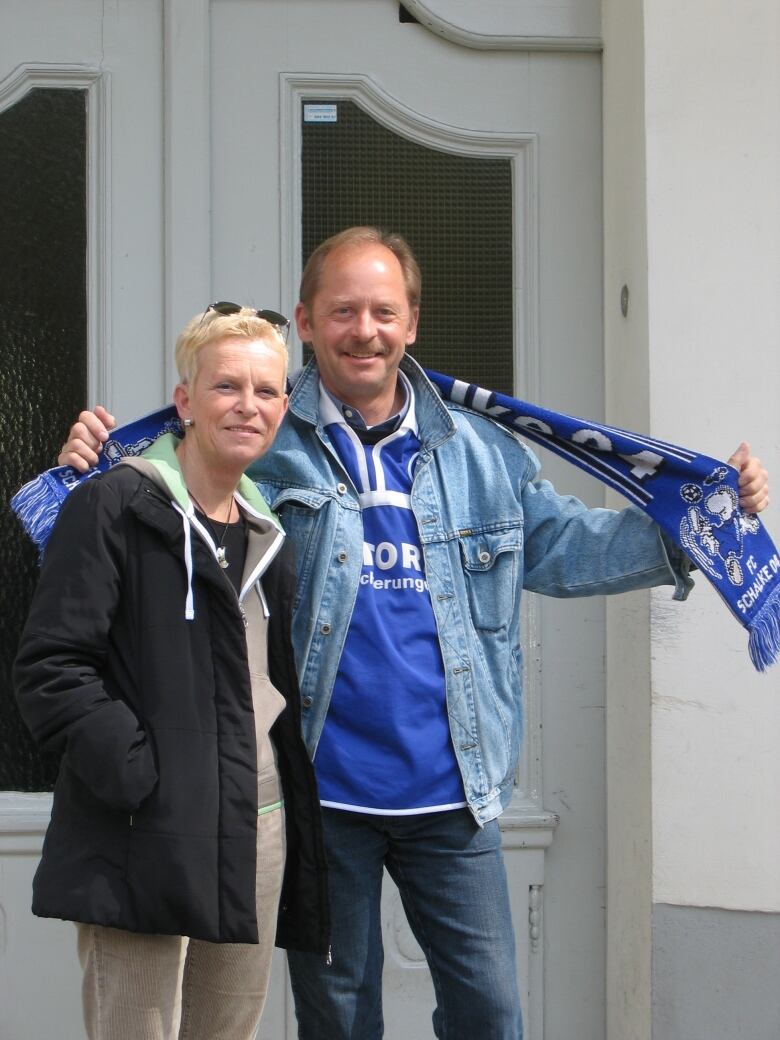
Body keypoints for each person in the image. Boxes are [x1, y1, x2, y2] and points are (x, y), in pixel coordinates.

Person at [58, 228, 769, 1040]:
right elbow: (163, 504)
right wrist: (93, 467)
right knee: (338, 1021)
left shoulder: (480, 450)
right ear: (307, 321)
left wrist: (696, 524)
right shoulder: (262, 438)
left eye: (383, 311)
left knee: (489, 1017)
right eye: (344, 311)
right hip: (321, 796)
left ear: (412, 323)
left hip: (454, 797)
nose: (365, 329)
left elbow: (568, 545)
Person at [15, 305, 328, 1040]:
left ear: (284, 405)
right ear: (185, 401)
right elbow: (51, 668)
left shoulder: (268, 528)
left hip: (257, 827)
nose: (247, 406)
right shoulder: (114, 506)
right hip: (146, 827)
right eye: (227, 387)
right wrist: (139, 777)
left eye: (266, 390)